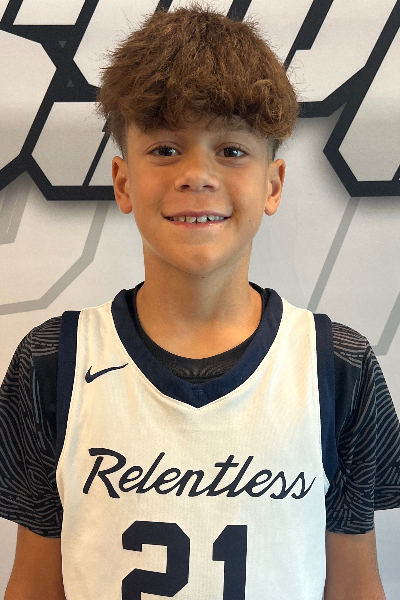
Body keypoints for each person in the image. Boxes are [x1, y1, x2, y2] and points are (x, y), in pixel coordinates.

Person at [1, 4, 400, 599]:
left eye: (231, 151)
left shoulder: (338, 368)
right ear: (123, 182)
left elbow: (355, 587)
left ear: (273, 185)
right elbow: (34, 585)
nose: (198, 175)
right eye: (166, 149)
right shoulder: (52, 364)